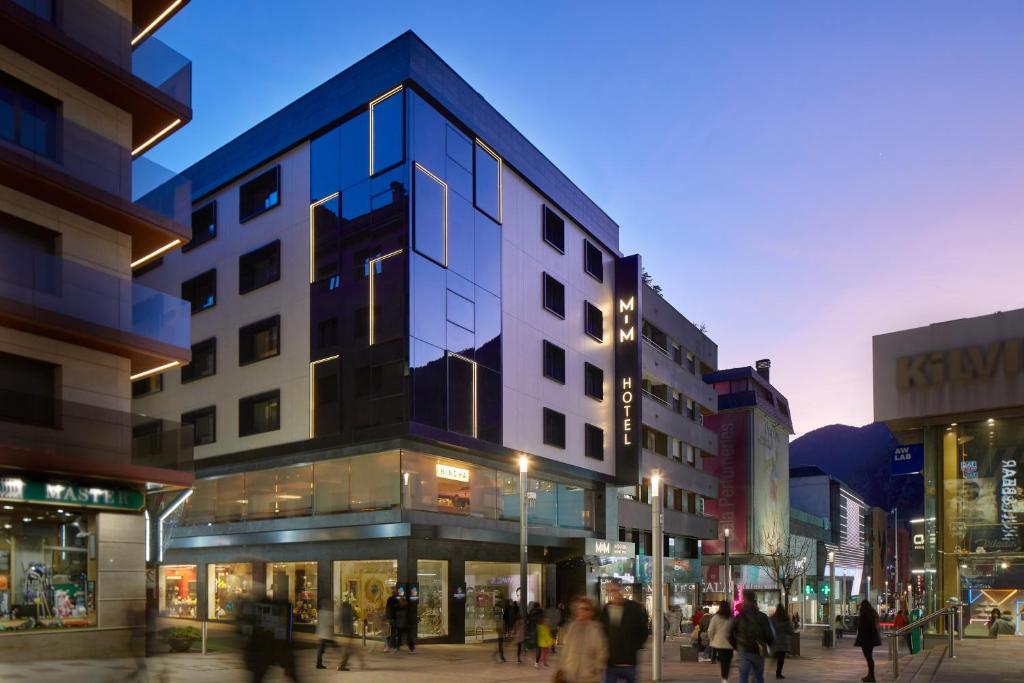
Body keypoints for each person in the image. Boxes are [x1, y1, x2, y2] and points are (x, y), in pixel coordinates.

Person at [600, 578, 649, 683]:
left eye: (616, 590)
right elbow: (603, 632)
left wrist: (634, 647)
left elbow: (643, 631)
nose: (614, 593)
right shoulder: (606, 609)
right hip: (610, 662)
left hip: (629, 662)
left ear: (622, 590)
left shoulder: (634, 607)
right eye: (611, 591)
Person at [557, 597, 608, 683]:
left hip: (589, 678)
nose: (581, 611)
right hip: (571, 676)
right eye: (579, 609)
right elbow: (566, 650)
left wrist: (594, 669)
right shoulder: (572, 627)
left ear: (591, 612)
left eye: (585, 609)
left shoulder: (596, 629)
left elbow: (602, 653)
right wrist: (564, 667)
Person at [730, 590, 774, 683]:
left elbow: (730, 634)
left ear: (745, 600)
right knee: (758, 677)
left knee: (743, 677)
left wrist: (736, 646)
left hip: (744, 650)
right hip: (759, 650)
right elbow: (769, 634)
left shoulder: (739, 617)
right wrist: (769, 646)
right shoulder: (763, 617)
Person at [707, 600, 735, 683]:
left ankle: (724, 678)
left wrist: (712, 638)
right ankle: (726, 676)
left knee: (723, 661)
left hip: (719, 643)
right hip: (730, 643)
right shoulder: (732, 618)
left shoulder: (716, 617)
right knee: (727, 661)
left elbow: (710, 630)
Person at [854, 599, 882, 683]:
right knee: (870, 657)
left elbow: (863, 626)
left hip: (866, 639)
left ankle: (871, 676)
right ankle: (870, 675)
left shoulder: (864, 612)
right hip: (872, 639)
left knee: (868, 657)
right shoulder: (872, 612)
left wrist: (857, 624)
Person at [770, 604, 795, 680]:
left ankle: (772, 663)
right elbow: (791, 630)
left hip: (775, 640)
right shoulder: (786, 619)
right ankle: (778, 673)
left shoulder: (773, 619)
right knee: (781, 658)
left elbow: (770, 629)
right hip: (784, 641)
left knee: (775, 654)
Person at [316, 598, 337, 669]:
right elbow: (331, 623)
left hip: (322, 634)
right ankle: (341, 661)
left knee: (321, 649)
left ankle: (319, 663)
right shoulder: (329, 613)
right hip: (327, 634)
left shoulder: (320, 612)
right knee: (334, 647)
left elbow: (318, 623)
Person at [384, 588, 400, 652]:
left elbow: (387, 609)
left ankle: (389, 646)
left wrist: (387, 617)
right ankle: (392, 646)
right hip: (393, 619)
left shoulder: (389, 599)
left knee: (389, 633)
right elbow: (396, 610)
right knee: (393, 633)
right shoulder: (396, 600)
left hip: (390, 618)